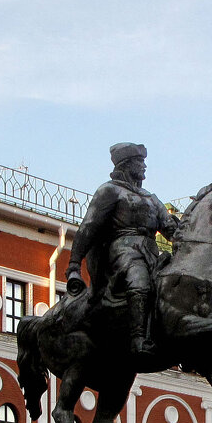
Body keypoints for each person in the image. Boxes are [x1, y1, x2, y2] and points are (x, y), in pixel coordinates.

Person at [65, 142, 179, 357]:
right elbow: (89, 227)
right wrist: (74, 265)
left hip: (150, 252)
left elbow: (170, 229)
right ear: (127, 165)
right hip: (122, 252)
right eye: (140, 162)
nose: (144, 167)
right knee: (140, 282)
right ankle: (138, 339)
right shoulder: (110, 191)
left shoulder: (151, 197)